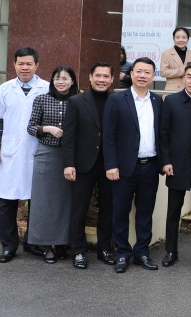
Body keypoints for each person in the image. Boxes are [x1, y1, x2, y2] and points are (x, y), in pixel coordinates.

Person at [0, 47, 50, 263]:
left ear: (37, 65)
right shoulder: (5, 89)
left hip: (38, 152)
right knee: (7, 201)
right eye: (20, 63)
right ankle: (9, 245)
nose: (24, 67)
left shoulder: (46, 88)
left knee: (37, 201)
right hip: (10, 152)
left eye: (29, 63)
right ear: (14, 65)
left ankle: (33, 243)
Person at [102, 57, 163, 273]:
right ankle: (122, 253)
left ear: (153, 76)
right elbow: (108, 135)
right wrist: (111, 165)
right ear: (131, 74)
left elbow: (161, 134)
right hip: (124, 167)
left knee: (145, 212)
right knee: (120, 212)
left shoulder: (157, 101)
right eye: (139, 71)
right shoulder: (117, 99)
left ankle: (142, 252)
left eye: (147, 72)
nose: (142, 75)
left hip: (150, 166)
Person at [62, 62, 117, 269]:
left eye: (106, 76)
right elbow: (69, 136)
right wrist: (69, 164)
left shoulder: (117, 100)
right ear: (90, 77)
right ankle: (78, 250)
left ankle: (104, 249)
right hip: (83, 164)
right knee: (79, 208)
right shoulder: (76, 101)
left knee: (108, 208)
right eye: (98, 76)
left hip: (110, 164)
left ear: (112, 79)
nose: (102, 80)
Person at [158, 62, 191, 268]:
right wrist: (165, 161)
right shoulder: (171, 101)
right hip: (176, 164)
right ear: (183, 78)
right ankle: (171, 251)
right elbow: (163, 134)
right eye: (190, 76)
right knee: (173, 211)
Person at [26, 65, 79, 263]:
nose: (60, 82)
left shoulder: (78, 101)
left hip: (70, 156)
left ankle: (62, 243)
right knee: (43, 201)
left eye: (65, 78)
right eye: (57, 78)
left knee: (65, 201)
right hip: (46, 154)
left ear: (72, 81)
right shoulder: (41, 99)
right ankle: (45, 245)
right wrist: (46, 128)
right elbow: (31, 127)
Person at [160, 27, 191, 92]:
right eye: (177, 37)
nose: (181, 40)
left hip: (189, 90)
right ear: (173, 39)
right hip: (172, 90)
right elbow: (163, 72)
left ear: (188, 39)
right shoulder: (166, 53)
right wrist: (183, 70)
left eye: (184, 37)